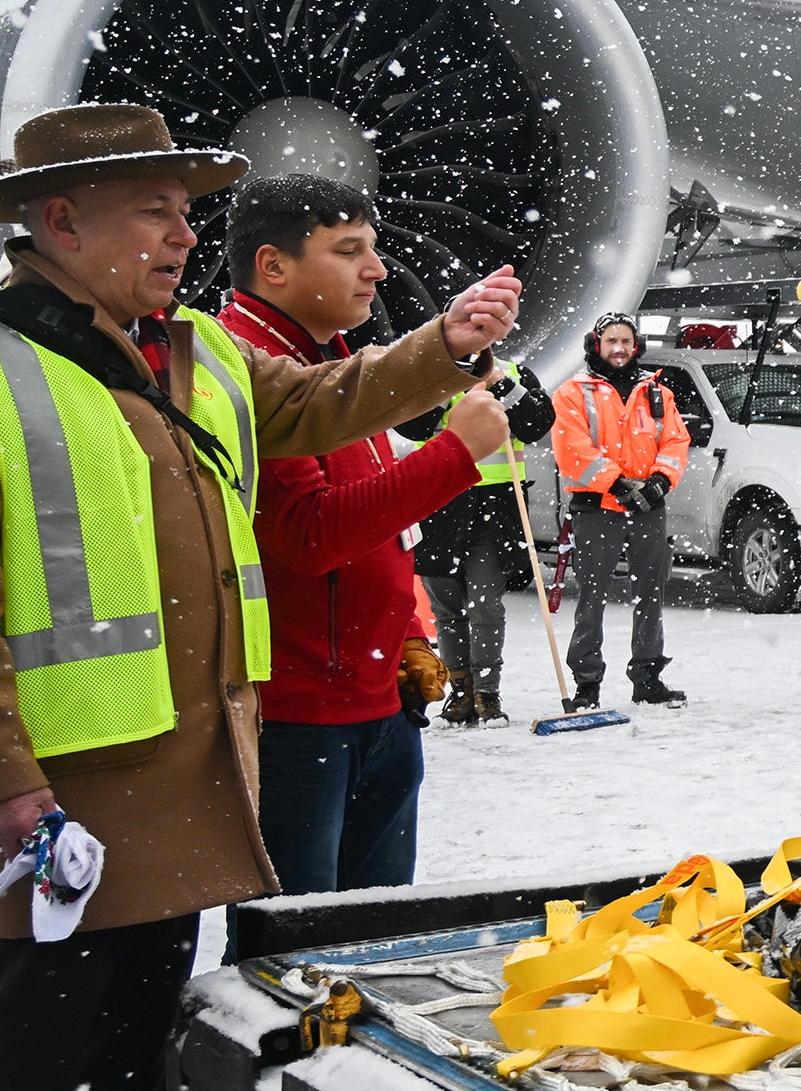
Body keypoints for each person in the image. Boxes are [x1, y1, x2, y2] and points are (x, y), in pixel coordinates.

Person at [0, 102, 517, 1091]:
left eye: (185, 208)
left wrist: (439, 349)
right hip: (59, 781)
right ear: (59, 222)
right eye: (157, 211)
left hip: (179, 761)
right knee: (28, 1031)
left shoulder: (192, 357)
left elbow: (326, 400)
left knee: (134, 1010)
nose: (186, 233)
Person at [217, 172, 516, 894]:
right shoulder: (245, 372)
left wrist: (407, 638)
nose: (377, 269)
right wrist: (455, 455)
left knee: (366, 930)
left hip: (373, 698)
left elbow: (388, 536)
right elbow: (307, 534)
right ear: (274, 265)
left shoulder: (329, 364)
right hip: (300, 719)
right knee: (301, 949)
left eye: (373, 248)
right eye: (349, 250)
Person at [551, 315, 693, 709]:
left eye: (626, 341)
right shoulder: (573, 393)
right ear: (596, 344)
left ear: (637, 344)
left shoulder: (657, 392)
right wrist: (616, 483)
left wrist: (660, 482)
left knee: (650, 592)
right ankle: (587, 684)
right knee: (592, 597)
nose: (619, 348)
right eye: (611, 340)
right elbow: (571, 448)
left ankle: (647, 677)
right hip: (596, 509)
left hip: (648, 508)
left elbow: (676, 441)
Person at [414, 360, 552, 726]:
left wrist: (501, 385)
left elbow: (537, 423)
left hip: (496, 508)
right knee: (445, 604)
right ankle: (460, 690)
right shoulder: (432, 373)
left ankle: (487, 692)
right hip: (441, 502)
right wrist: (445, 388)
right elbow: (412, 424)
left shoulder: (515, 373)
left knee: (485, 603)